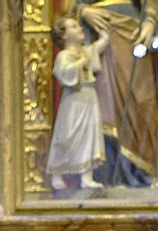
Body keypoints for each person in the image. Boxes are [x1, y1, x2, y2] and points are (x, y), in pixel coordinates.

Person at [46, 16, 110, 190]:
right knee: (67, 136)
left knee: (89, 134)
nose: (80, 29)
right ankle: (57, 172)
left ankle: (86, 176)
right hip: (73, 100)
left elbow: (100, 45)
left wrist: (105, 34)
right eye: (74, 27)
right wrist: (80, 63)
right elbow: (63, 72)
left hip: (89, 97)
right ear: (64, 36)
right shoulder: (64, 55)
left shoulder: (86, 51)